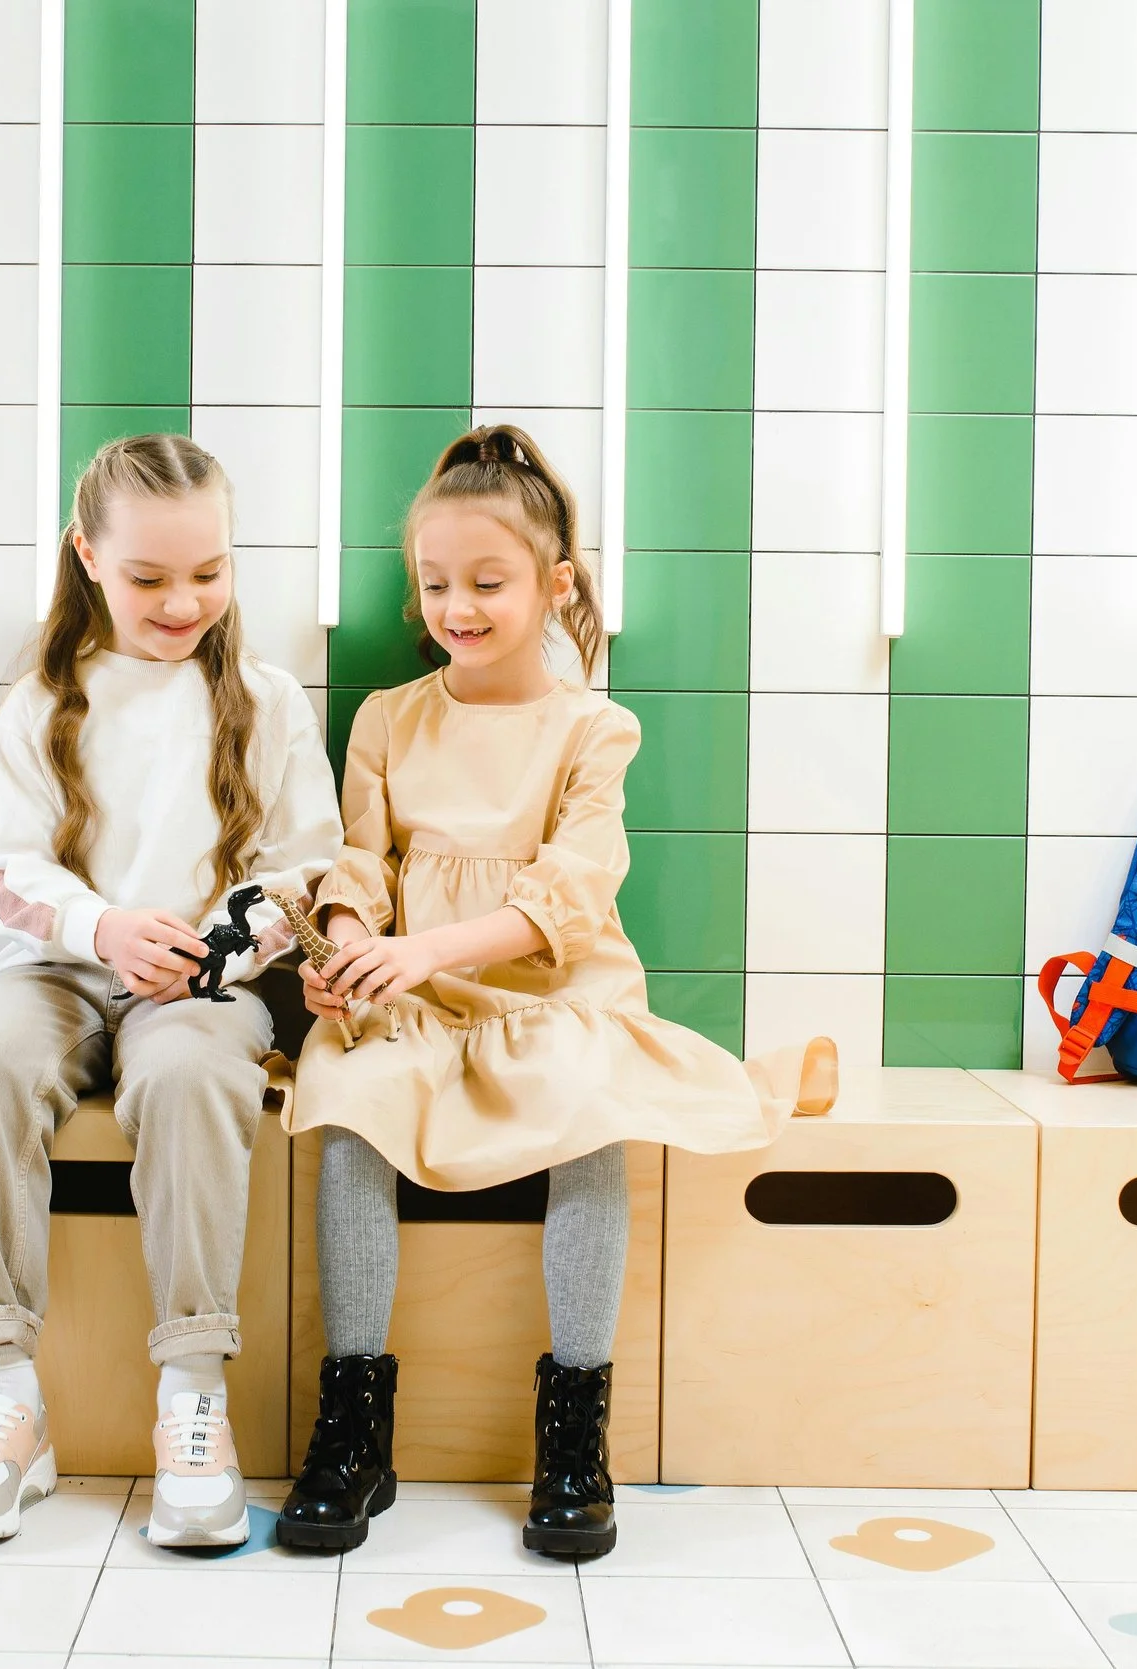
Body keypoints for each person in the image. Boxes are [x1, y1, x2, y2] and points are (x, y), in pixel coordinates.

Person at [275, 425, 790, 1561]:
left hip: (555, 994)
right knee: (350, 1100)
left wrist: (426, 950)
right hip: (414, 1000)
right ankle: (355, 1422)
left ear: (556, 584)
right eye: (435, 583)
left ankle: (574, 1429)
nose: (456, 606)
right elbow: (358, 863)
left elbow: (570, 895)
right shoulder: (386, 719)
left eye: (488, 582)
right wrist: (354, 945)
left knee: (582, 1104)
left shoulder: (593, 727)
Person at [0, 434, 340, 1547]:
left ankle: (192, 1394)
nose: (182, 599)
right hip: (56, 971)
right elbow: (10, 876)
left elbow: (306, 862)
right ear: (87, 558)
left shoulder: (269, 698)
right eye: (150, 577)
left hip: (204, 984)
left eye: (208, 572)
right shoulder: (39, 703)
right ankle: (5, 1396)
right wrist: (100, 922)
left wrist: (211, 948)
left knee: (196, 1077)